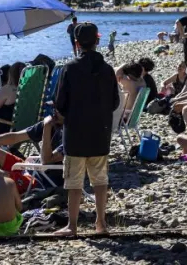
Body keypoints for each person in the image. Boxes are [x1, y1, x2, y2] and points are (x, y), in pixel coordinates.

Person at [53, 22, 119, 237]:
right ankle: (101, 223)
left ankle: (72, 226)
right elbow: (115, 102)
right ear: (98, 41)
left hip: (76, 133)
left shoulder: (70, 68)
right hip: (100, 131)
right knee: (100, 180)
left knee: (74, 182)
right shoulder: (108, 70)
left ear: (77, 43)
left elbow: (60, 103)